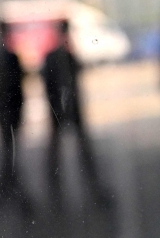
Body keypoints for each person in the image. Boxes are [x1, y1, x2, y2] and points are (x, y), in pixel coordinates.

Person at [41, 19, 109, 205]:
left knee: (80, 150)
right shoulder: (56, 57)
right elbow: (50, 86)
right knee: (59, 152)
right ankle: (55, 189)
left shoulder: (67, 55)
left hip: (71, 109)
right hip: (60, 109)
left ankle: (89, 186)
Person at [0, 20, 29, 209]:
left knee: (9, 151)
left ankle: (5, 189)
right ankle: (8, 189)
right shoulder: (2, 56)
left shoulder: (1, 56)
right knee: (9, 151)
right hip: (7, 110)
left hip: (7, 110)